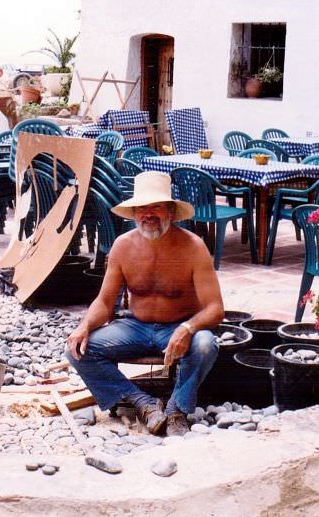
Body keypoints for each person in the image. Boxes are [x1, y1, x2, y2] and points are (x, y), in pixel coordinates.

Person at [66, 171, 223, 437]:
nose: (148, 214)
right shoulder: (122, 247)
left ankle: (176, 410)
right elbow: (105, 302)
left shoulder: (193, 247)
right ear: (134, 213)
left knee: (206, 344)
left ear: (171, 212)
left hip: (178, 326)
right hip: (135, 326)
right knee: (77, 350)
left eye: (156, 207)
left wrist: (187, 328)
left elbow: (215, 308)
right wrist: (84, 325)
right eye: (141, 208)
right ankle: (141, 402)